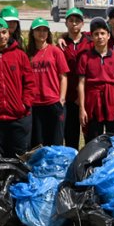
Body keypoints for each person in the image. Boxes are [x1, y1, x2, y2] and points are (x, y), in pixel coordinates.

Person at [0, 17, 33, 157]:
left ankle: (18, 180)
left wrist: (25, 104)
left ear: (9, 33)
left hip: (17, 116)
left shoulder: (20, 55)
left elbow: (29, 82)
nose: (1, 36)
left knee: (19, 156)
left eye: (4, 32)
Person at [78, 18, 114, 139]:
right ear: (92, 37)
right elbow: (81, 84)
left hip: (111, 97)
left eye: (103, 33)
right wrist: (82, 108)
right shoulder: (85, 57)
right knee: (93, 135)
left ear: (108, 35)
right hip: (93, 98)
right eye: (96, 34)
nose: (100, 37)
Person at [25, 18, 68, 147]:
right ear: (32, 33)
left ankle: (55, 167)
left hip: (53, 102)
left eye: (45, 30)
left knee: (55, 141)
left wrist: (61, 99)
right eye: (38, 30)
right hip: (35, 103)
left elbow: (63, 76)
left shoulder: (55, 51)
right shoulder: (28, 53)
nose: (41, 33)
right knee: (37, 142)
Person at [58, 8, 93, 148]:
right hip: (68, 97)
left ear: (82, 23)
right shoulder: (61, 44)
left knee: (89, 134)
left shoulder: (90, 41)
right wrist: (61, 37)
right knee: (71, 135)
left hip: (87, 95)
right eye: (71, 21)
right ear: (66, 23)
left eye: (77, 21)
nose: (74, 24)